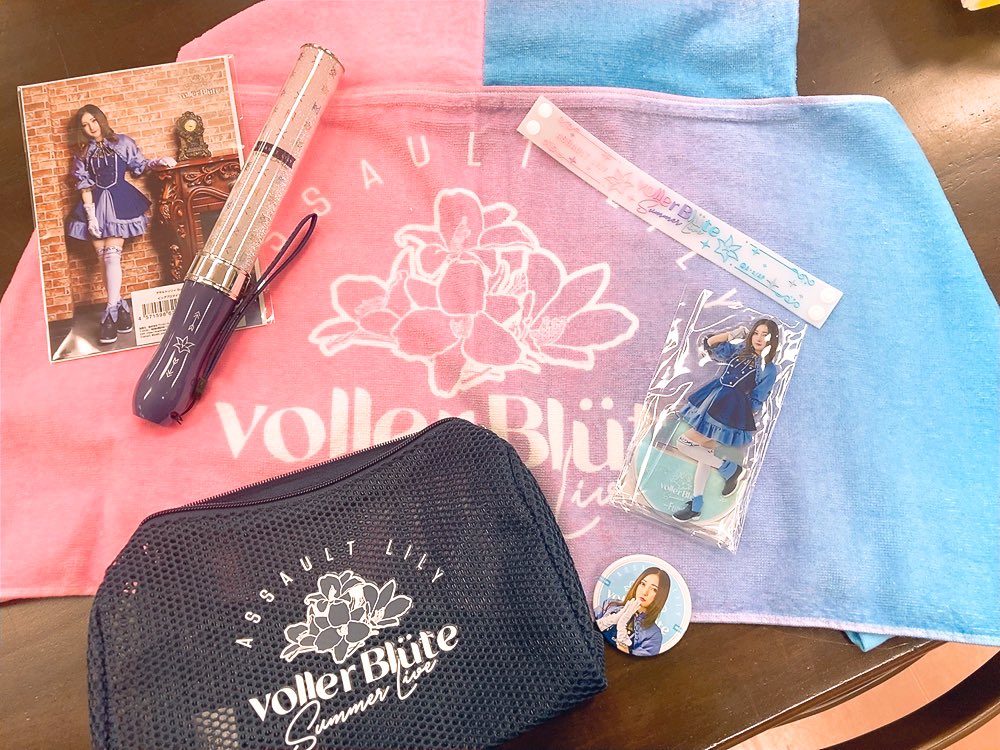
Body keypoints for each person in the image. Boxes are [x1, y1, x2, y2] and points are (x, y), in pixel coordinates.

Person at [65, 104, 176, 344]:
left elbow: (139, 167)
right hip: (94, 205)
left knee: (111, 256)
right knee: (102, 258)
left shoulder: (123, 142)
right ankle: (122, 309)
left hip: (119, 201)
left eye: (93, 121)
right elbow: (84, 185)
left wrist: (159, 162)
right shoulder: (82, 153)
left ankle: (110, 314)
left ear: (101, 119)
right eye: (85, 125)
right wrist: (91, 218)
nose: (90, 127)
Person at [670, 318, 780, 521]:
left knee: (683, 443)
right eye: (756, 333)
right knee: (705, 452)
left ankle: (729, 469)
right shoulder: (740, 350)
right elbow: (711, 343)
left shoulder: (769, 368)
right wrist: (734, 334)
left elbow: (758, 397)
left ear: (772, 340)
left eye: (765, 335)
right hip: (714, 397)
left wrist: (740, 419)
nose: (759, 338)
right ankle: (696, 506)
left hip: (731, 408)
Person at [595, 567, 668, 656]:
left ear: (660, 596)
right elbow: (587, 628)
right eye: (643, 584)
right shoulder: (610, 604)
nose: (645, 592)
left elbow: (629, 660)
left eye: (654, 589)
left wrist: (622, 627)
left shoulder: (654, 635)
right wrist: (613, 619)